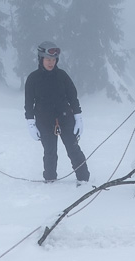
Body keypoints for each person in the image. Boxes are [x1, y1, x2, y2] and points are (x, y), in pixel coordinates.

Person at [24, 41, 90, 184]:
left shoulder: (62, 76)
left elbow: (73, 96)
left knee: (73, 149)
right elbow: (29, 103)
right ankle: (50, 180)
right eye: (48, 59)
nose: (51, 63)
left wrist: (78, 117)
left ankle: (84, 179)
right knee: (49, 152)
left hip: (66, 118)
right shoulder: (33, 79)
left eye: (53, 60)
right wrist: (30, 122)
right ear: (41, 59)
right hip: (44, 120)